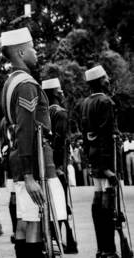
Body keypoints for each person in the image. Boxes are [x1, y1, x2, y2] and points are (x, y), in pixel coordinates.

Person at [0, 27, 61, 258]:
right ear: (22, 52)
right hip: (33, 163)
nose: (36, 53)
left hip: (21, 160)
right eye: (33, 48)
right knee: (35, 222)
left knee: (24, 222)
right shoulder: (26, 84)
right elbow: (26, 129)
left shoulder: (10, 83)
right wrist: (29, 175)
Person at [80, 65, 119, 258]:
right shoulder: (105, 102)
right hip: (105, 160)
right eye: (105, 77)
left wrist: (92, 162)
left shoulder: (85, 103)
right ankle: (109, 249)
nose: (108, 80)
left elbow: (86, 137)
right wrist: (106, 169)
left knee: (98, 200)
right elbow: (105, 136)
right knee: (108, 204)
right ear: (99, 81)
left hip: (95, 159)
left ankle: (101, 249)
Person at [42, 78, 78, 254]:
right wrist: (59, 166)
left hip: (47, 164)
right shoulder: (61, 113)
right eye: (60, 90)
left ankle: (57, 239)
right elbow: (59, 141)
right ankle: (62, 240)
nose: (63, 93)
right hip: (57, 166)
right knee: (61, 205)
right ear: (56, 93)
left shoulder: (43, 112)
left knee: (52, 204)